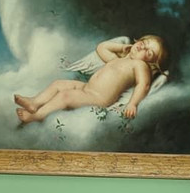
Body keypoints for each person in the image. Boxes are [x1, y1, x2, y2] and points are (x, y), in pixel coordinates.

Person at [14, 35, 167, 125]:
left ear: (151, 63)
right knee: (58, 84)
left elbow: (144, 85)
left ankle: (37, 116)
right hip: (87, 88)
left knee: (65, 96)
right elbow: (101, 48)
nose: (143, 48)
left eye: (149, 53)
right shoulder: (118, 59)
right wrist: (121, 48)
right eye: (144, 43)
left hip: (98, 98)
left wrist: (133, 103)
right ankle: (34, 103)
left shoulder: (139, 65)